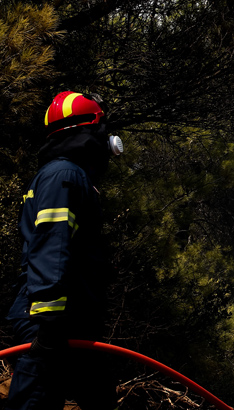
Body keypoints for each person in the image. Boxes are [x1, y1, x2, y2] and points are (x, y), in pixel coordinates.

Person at [5, 91, 123, 409]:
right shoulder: (65, 175)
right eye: (102, 129)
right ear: (88, 132)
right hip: (51, 325)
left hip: (72, 322)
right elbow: (51, 248)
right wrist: (50, 326)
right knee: (34, 402)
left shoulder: (63, 175)